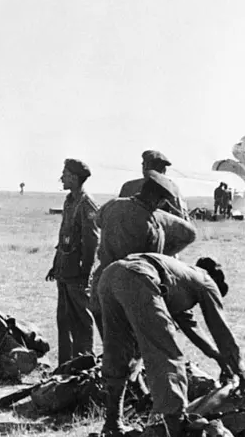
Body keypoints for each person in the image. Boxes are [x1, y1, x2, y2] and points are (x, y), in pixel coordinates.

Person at [97, 254, 245, 437]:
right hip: (139, 278)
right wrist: (240, 370)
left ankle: (113, 424)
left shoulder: (182, 277)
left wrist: (219, 358)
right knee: (165, 354)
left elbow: (191, 327)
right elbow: (222, 332)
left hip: (110, 276)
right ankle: (177, 428)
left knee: (118, 352)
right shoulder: (207, 281)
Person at [90, 171, 197, 334]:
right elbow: (189, 233)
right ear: (157, 199)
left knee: (111, 343)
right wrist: (166, 255)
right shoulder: (152, 222)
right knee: (134, 344)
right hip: (132, 289)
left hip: (102, 284)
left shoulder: (113, 205)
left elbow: (98, 221)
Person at [45, 159, 99, 365]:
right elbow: (64, 237)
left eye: (66, 174)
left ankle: (83, 364)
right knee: (64, 320)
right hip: (64, 270)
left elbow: (92, 241)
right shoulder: (69, 201)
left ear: (76, 178)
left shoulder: (86, 204)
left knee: (81, 320)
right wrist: (55, 264)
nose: (62, 177)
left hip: (77, 273)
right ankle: (65, 365)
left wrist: (86, 273)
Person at [119, 150, 189, 220]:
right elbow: (181, 217)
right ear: (163, 169)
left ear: (145, 167)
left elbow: (118, 213)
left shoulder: (128, 186)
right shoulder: (171, 188)